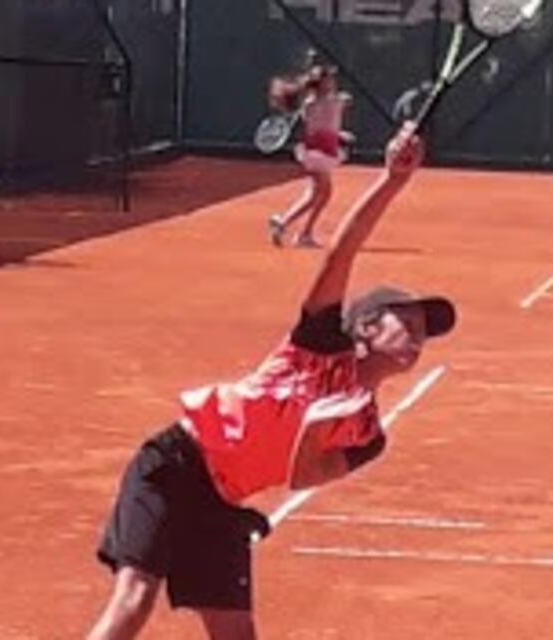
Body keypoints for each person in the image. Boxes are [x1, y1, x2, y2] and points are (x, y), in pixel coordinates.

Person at [86, 123, 456, 640]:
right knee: (133, 602)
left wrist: (313, 430)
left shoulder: (369, 435)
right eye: (408, 322)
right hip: (175, 465)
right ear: (368, 327)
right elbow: (342, 253)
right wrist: (392, 181)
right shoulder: (318, 343)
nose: (419, 337)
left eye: (425, 332)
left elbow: (304, 477)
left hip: (222, 502)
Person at [266, 64, 354, 248]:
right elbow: (342, 103)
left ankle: (304, 233)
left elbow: (323, 126)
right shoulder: (331, 102)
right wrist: (339, 104)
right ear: (323, 84)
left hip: (319, 150)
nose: (334, 82)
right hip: (319, 153)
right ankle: (283, 223)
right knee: (316, 195)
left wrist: (339, 134)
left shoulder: (310, 105)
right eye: (330, 79)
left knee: (324, 194)